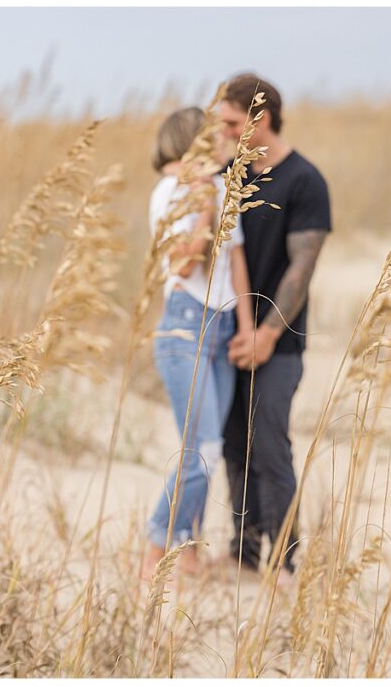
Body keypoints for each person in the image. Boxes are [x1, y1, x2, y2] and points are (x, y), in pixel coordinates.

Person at [217, 73, 332, 584]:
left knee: (268, 441)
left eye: (232, 122)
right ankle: (244, 553)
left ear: (260, 120)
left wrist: (265, 334)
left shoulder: (306, 180)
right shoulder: (229, 174)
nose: (223, 132)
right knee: (231, 441)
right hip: (229, 335)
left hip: (280, 344)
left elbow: (300, 270)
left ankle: (284, 563)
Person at [141, 107, 254, 581]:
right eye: (211, 138)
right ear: (193, 142)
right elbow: (185, 265)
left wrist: (247, 326)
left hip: (226, 325)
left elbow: (236, 263)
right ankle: (155, 543)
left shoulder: (225, 188)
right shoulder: (171, 192)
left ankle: (186, 551)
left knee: (207, 448)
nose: (223, 144)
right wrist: (205, 198)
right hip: (185, 326)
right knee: (202, 447)